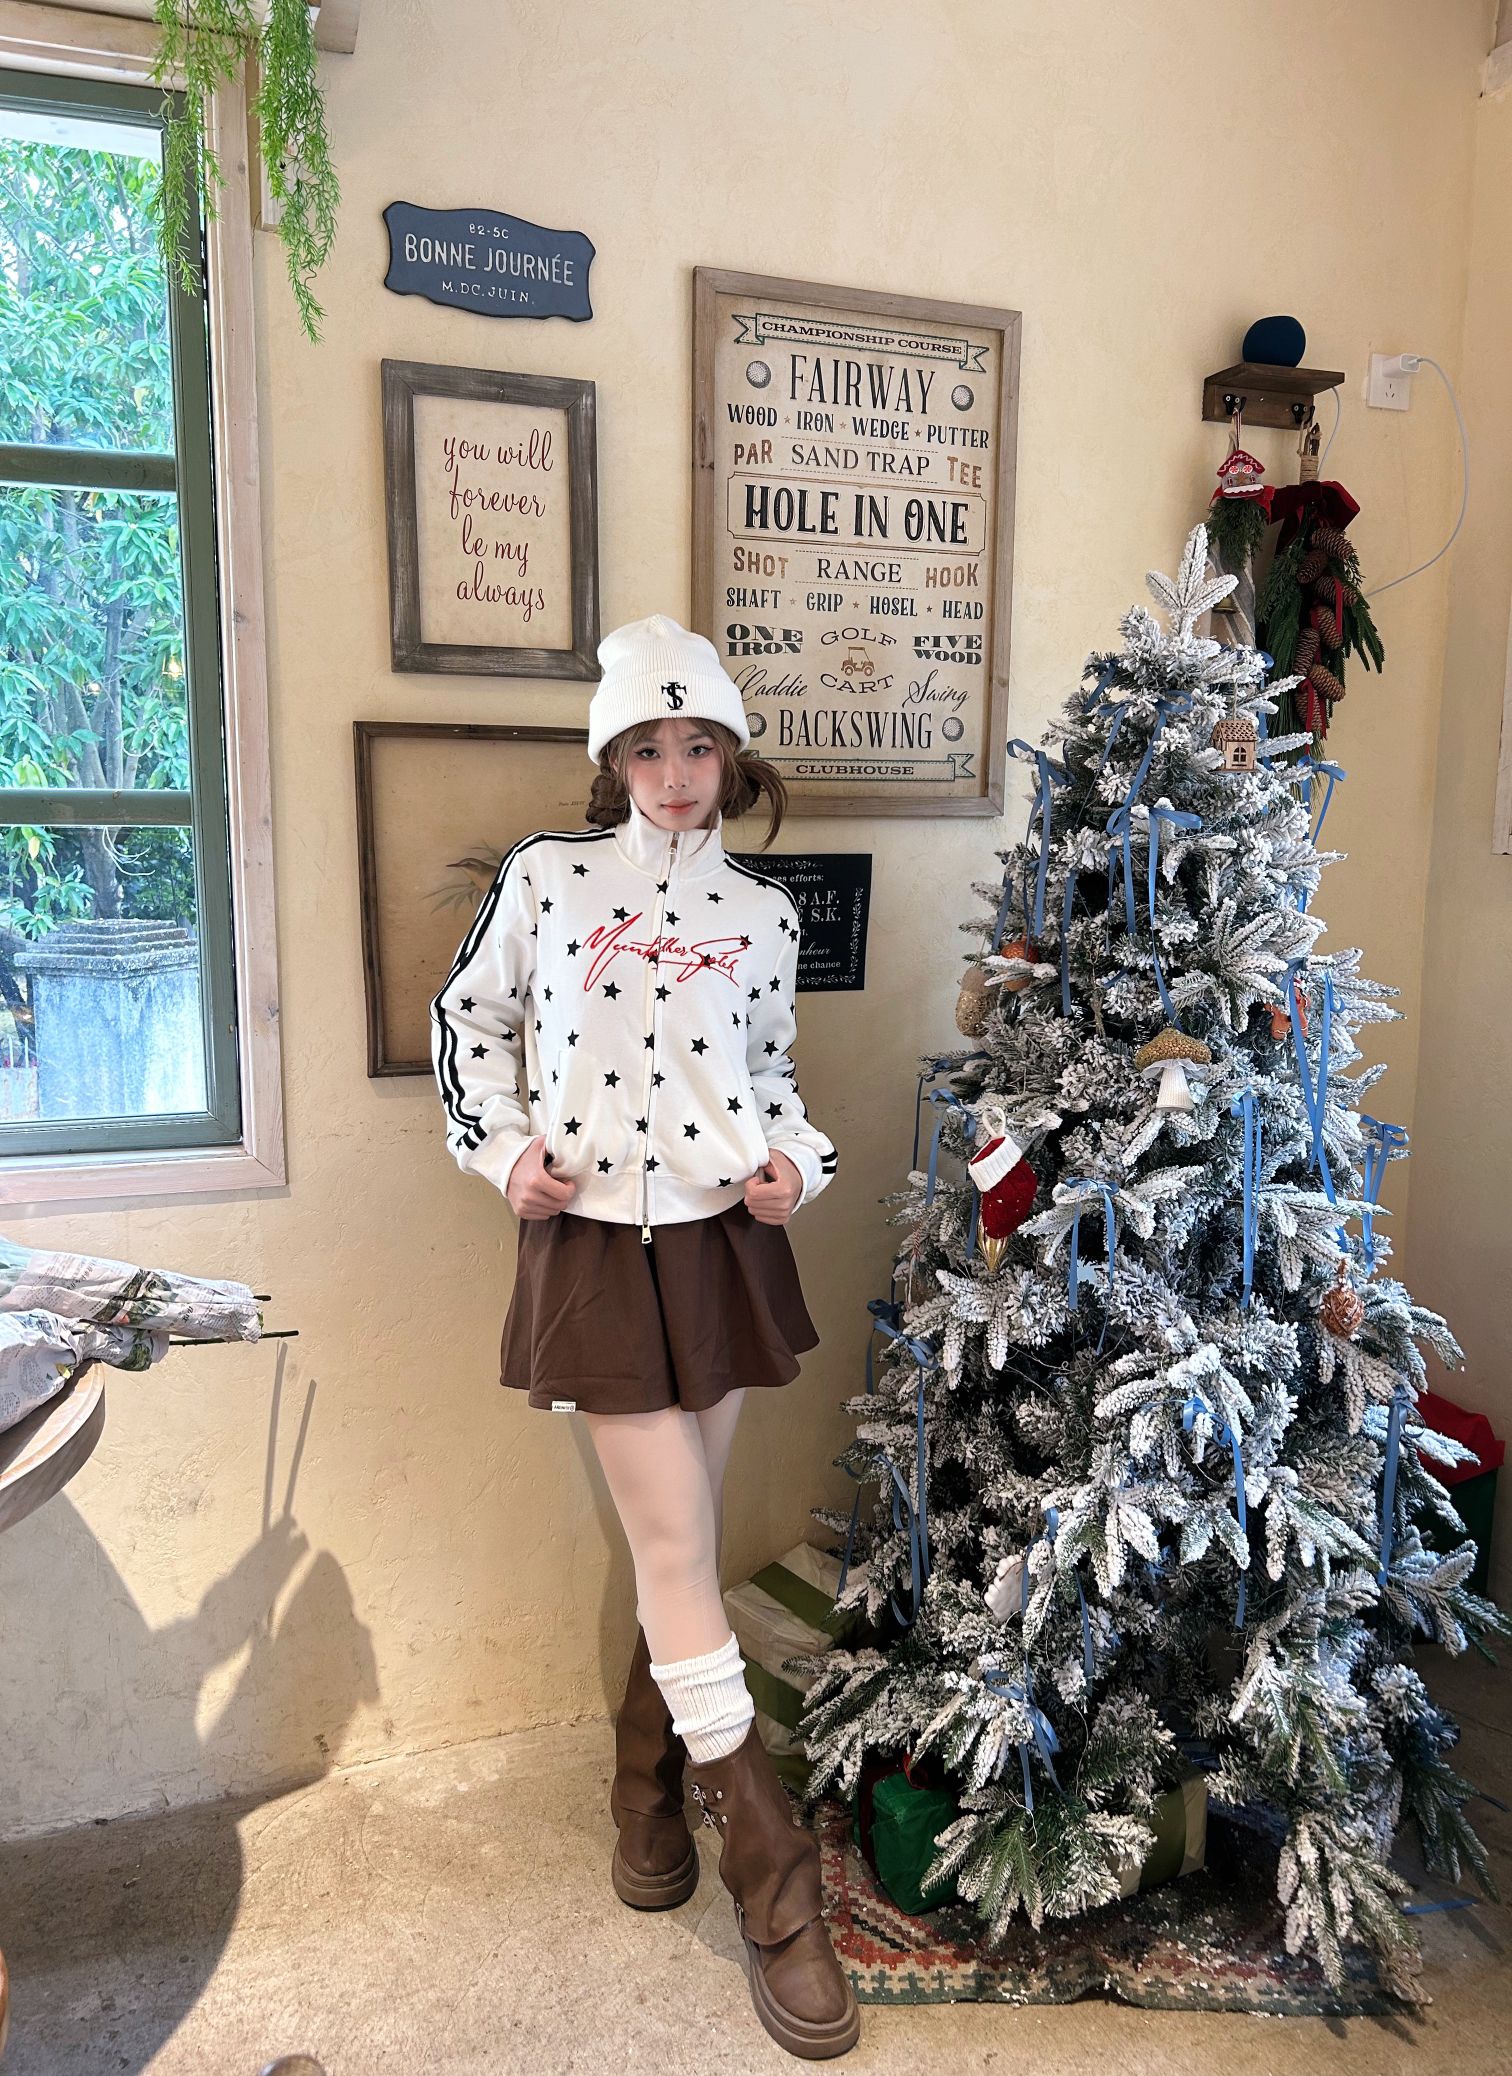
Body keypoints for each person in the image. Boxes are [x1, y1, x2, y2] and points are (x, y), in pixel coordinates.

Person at [430, 613, 859, 2060]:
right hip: (599, 1244)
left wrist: (798, 1165)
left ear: (730, 759)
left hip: (726, 1246)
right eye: (648, 750)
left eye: (699, 748)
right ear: (612, 762)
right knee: (677, 1549)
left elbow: (775, 1077)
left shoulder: (764, 915)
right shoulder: (548, 880)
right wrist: (503, 1154)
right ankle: (775, 1885)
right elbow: (469, 1024)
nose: (675, 775)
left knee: (679, 1541)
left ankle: (643, 1786)